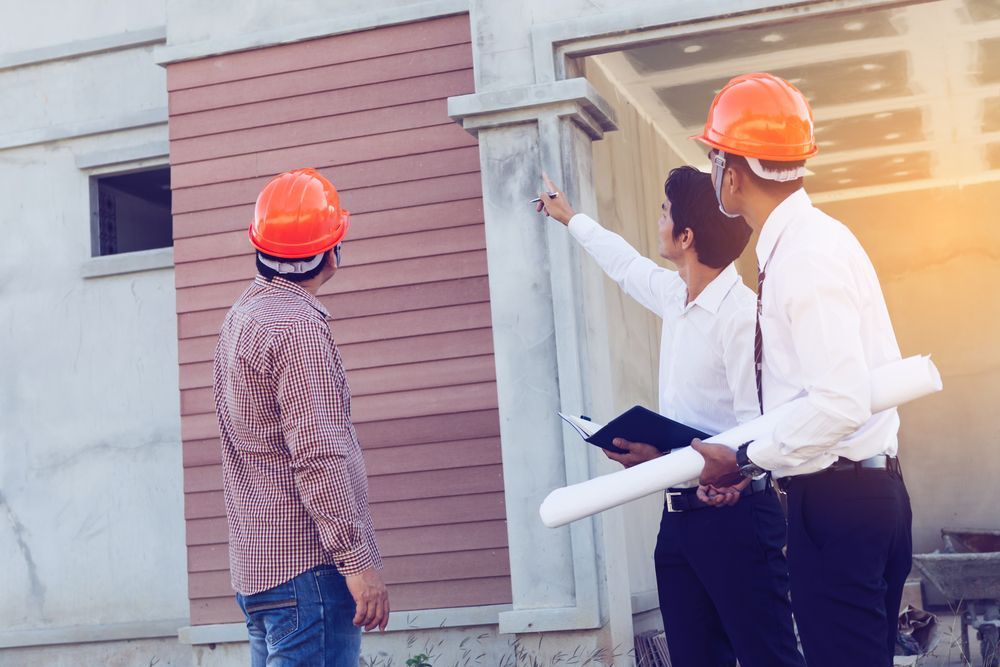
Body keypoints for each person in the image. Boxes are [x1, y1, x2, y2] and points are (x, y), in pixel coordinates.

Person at [537, 169, 804, 667]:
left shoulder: (742, 315)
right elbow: (624, 265)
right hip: (679, 520)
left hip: (737, 517)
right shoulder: (675, 296)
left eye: (664, 212)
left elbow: (755, 428)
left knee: (769, 657)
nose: (657, 220)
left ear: (686, 237)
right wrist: (569, 218)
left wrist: (675, 458)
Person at [689, 73, 912, 667]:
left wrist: (743, 458)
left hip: (840, 502)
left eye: (714, 157)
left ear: (732, 174)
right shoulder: (808, 244)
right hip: (852, 493)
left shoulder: (805, 257)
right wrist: (752, 466)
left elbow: (838, 403)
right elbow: (812, 399)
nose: (714, 172)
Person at [213, 168, 390, 666]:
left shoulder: (240, 318)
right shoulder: (300, 330)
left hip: (259, 572)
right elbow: (318, 454)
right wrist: (357, 563)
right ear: (332, 251)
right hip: (309, 574)